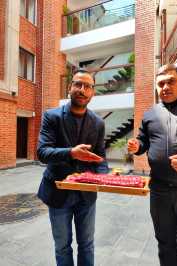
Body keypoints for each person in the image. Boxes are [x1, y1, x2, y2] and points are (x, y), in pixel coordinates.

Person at [128, 64, 177, 266]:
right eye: (161, 83)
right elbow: (144, 142)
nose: (166, 87)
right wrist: (137, 145)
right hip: (159, 192)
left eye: (171, 81)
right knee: (165, 245)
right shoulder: (150, 114)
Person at [37, 69, 108, 266]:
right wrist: (71, 153)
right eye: (78, 84)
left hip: (87, 194)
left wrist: (104, 177)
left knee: (87, 244)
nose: (82, 90)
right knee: (62, 246)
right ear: (70, 87)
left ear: (93, 92)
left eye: (88, 86)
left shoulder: (98, 122)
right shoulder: (52, 117)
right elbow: (42, 153)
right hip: (58, 192)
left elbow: (101, 157)